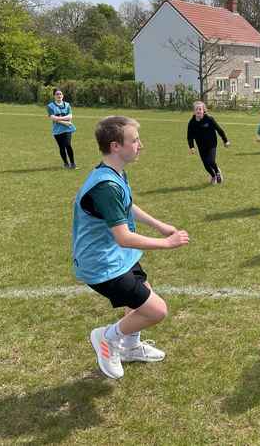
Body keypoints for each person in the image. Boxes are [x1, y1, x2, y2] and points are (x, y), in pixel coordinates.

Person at [72, 116, 189, 379]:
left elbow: (126, 206)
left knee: (141, 302)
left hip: (119, 258)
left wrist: (159, 225)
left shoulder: (113, 173)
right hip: (103, 265)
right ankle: (107, 338)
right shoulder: (106, 186)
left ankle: (131, 346)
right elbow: (123, 237)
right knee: (157, 311)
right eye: (134, 140)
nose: (141, 145)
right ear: (115, 146)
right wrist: (166, 243)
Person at [187, 101, 230, 184]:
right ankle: (213, 176)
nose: (198, 111)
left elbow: (219, 130)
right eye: (196, 109)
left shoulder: (209, 119)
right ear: (194, 111)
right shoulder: (192, 122)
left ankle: (217, 172)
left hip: (212, 144)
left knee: (211, 161)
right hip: (201, 146)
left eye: (200, 109)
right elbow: (190, 137)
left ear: (204, 110)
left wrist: (225, 141)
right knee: (206, 165)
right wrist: (191, 147)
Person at [47, 89, 77, 169]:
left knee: (68, 145)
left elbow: (70, 116)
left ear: (62, 96)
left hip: (67, 129)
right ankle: (66, 164)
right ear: (54, 96)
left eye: (60, 94)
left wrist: (59, 118)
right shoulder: (50, 106)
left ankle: (73, 164)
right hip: (57, 130)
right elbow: (53, 118)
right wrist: (65, 122)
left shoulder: (67, 105)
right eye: (57, 94)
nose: (59, 95)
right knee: (61, 147)